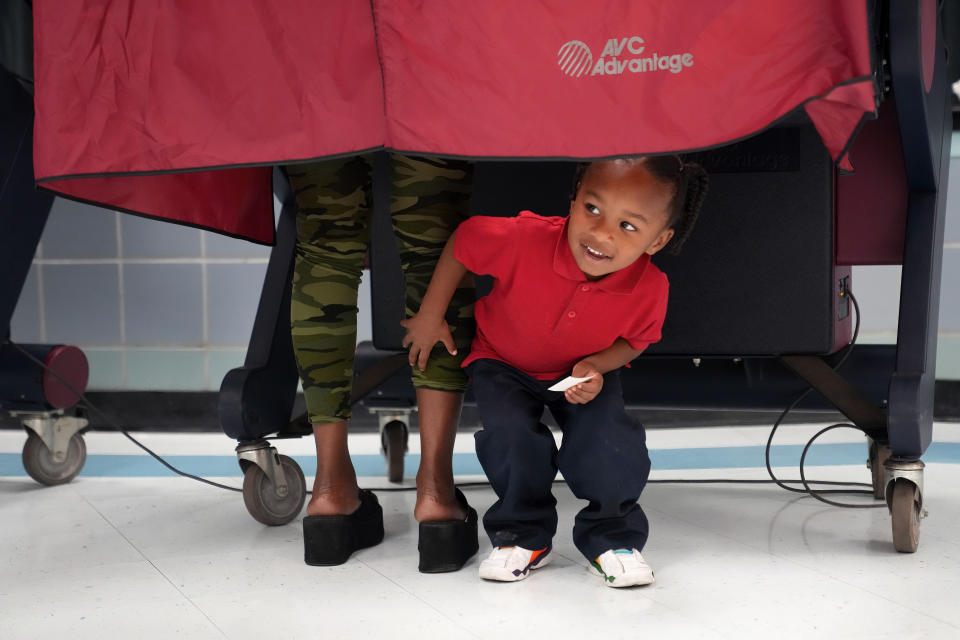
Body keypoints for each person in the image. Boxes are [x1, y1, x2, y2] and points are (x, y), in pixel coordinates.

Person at [401, 155, 708, 587]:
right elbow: (464, 240)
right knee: (510, 437)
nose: (601, 232)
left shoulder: (652, 287)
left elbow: (635, 342)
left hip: (581, 375)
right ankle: (521, 537)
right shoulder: (524, 239)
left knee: (609, 443)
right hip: (502, 362)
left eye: (628, 226)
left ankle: (612, 539)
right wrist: (431, 315)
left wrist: (597, 367)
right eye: (593, 209)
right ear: (574, 197)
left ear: (657, 241)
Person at [289, 154, 479, 572]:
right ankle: (436, 493)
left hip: (325, 89)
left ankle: (330, 489)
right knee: (435, 233)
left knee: (325, 242)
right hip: (427, 87)